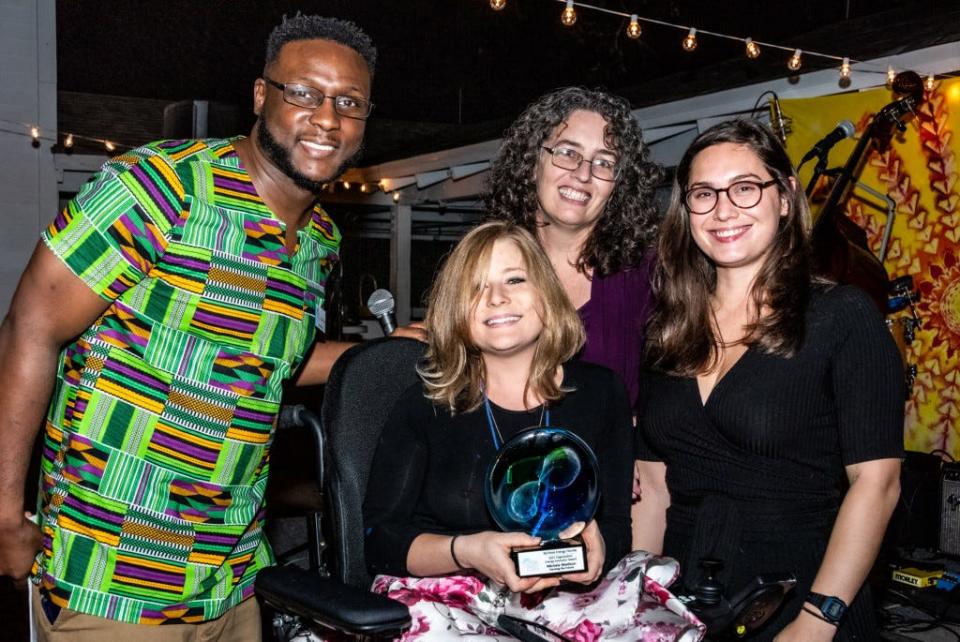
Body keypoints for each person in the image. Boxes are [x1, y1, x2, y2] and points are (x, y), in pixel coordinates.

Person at [0, 14, 421, 641]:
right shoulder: (160, 186)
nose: (327, 118)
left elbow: (273, 359)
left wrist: (390, 350)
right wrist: (6, 514)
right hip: (115, 582)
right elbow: (29, 327)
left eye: (348, 102)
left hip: (234, 581)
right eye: (303, 92)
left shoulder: (321, 242)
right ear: (261, 96)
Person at [363, 222, 704, 642]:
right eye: (476, 287)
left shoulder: (602, 393)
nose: (497, 297)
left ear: (544, 291)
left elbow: (615, 528)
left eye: (514, 279)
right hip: (447, 596)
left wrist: (594, 553)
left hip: (569, 598)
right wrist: (468, 551)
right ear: (456, 310)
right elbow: (378, 541)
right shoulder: (423, 405)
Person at [635, 119, 903, 641]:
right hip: (688, 607)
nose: (723, 209)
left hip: (804, 598)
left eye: (745, 187)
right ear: (684, 210)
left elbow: (878, 484)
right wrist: (643, 595)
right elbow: (653, 481)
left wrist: (818, 618)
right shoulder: (665, 330)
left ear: (784, 198)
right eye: (703, 194)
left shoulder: (840, 316)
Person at [484, 87, 663, 410]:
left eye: (604, 162)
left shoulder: (647, 278)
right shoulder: (483, 266)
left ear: (619, 184)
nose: (583, 174)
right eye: (567, 153)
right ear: (532, 161)